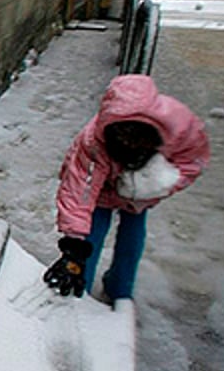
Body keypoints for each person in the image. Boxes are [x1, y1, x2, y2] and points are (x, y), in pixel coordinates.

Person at [44, 74, 209, 301]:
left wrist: (157, 184)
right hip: (101, 191)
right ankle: (79, 293)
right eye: (122, 136)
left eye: (136, 136)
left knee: (131, 237)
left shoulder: (178, 126)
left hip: (139, 194)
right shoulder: (94, 142)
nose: (129, 142)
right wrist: (73, 247)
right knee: (91, 234)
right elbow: (79, 191)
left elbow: (192, 162)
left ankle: (120, 289)